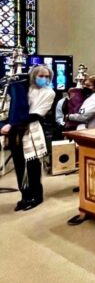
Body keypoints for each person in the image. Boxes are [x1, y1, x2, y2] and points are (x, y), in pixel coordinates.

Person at [1, 65, 55, 211]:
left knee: (33, 166)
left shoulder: (49, 92)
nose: (43, 79)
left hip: (32, 129)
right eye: (40, 75)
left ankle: (36, 196)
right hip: (16, 130)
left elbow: (37, 114)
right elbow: (14, 106)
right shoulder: (25, 89)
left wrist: (12, 123)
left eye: (46, 76)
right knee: (19, 165)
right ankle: (25, 195)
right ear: (33, 75)